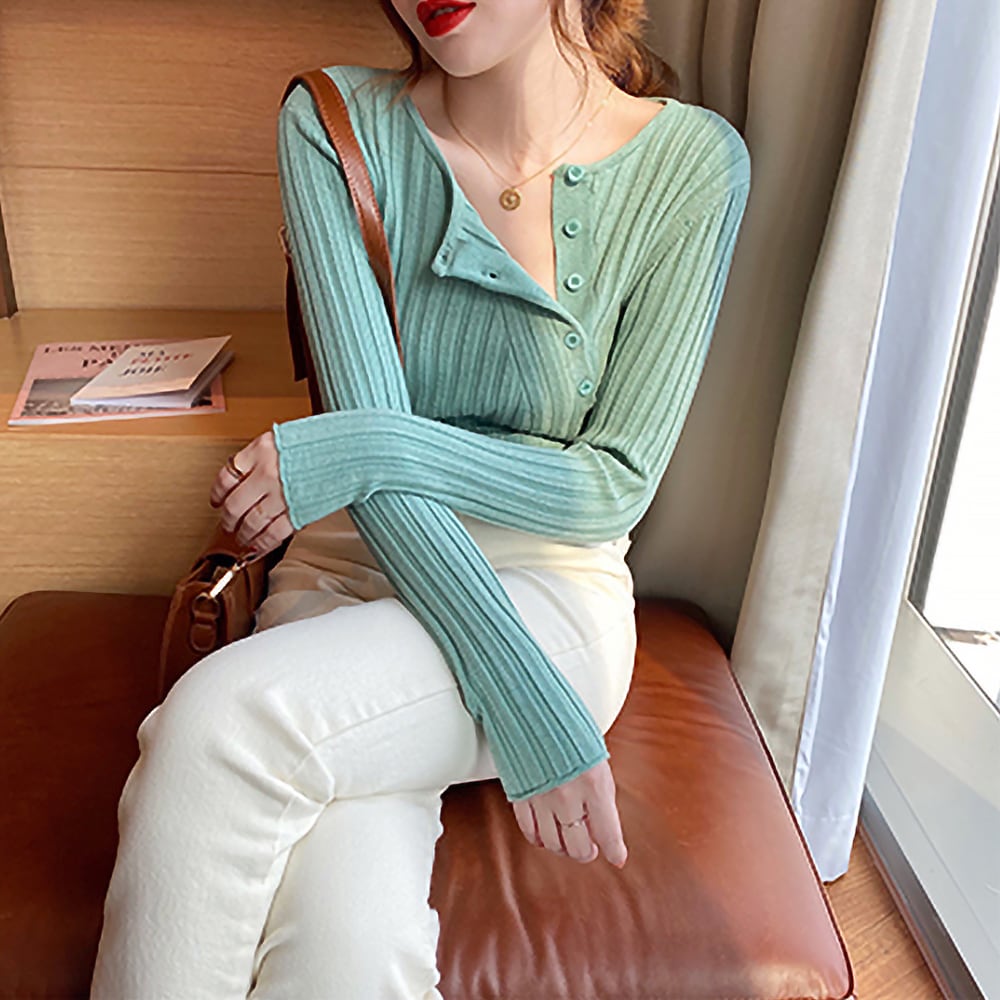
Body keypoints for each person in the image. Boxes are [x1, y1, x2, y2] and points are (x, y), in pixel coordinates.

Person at [89, 0, 751, 996]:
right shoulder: (332, 124)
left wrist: (366, 446)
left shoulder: (693, 164)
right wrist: (518, 698)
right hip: (344, 575)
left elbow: (610, 485)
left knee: (219, 727)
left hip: (544, 594)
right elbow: (379, 485)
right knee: (345, 952)